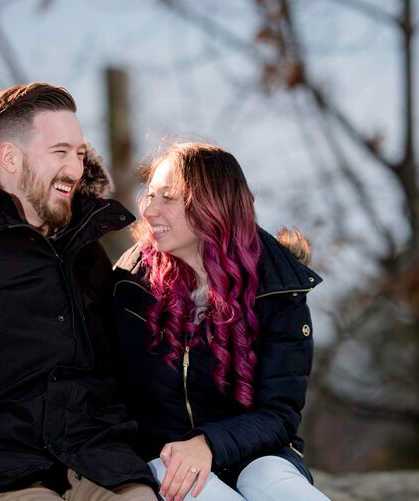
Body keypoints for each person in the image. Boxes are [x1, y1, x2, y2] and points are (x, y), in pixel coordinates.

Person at [0, 83, 158, 500]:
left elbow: (126, 364)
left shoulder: (87, 249)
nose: (74, 169)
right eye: (59, 152)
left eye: (80, 154)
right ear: (9, 158)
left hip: (98, 459)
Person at [112, 142, 330, 500]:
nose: (149, 210)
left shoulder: (278, 288)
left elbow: (279, 413)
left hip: (257, 454)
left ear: (213, 206)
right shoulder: (130, 283)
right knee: (192, 485)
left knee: (283, 488)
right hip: (163, 457)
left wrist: (209, 443)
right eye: (149, 195)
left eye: (168, 198)